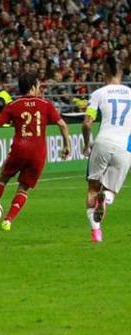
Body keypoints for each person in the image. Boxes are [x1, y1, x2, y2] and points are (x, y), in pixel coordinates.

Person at [0, 73, 71, 231]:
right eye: (38, 86)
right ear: (32, 86)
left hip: (20, 148)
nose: (39, 89)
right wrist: (67, 145)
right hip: (38, 152)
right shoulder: (46, 104)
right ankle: (8, 220)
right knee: (23, 188)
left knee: (3, 178)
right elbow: (63, 125)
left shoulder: (13, 105)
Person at [81, 56, 131, 243]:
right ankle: (107, 198)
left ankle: (96, 233)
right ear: (121, 72)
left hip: (102, 143)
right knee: (110, 190)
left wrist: (87, 145)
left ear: (105, 72)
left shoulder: (99, 94)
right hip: (125, 147)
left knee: (92, 188)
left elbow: (86, 124)